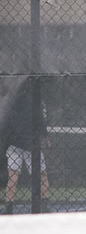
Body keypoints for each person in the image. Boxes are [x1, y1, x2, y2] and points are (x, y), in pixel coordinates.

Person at [3, 85, 50, 215]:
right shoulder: (34, 101)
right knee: (42, 175)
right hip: (30, 145)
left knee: (13, 177)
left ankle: (8, 208)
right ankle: (44, 206)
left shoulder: (10, 102)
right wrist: (45, 136)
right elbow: (40, 120)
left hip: (17, 145)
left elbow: (6, 123)